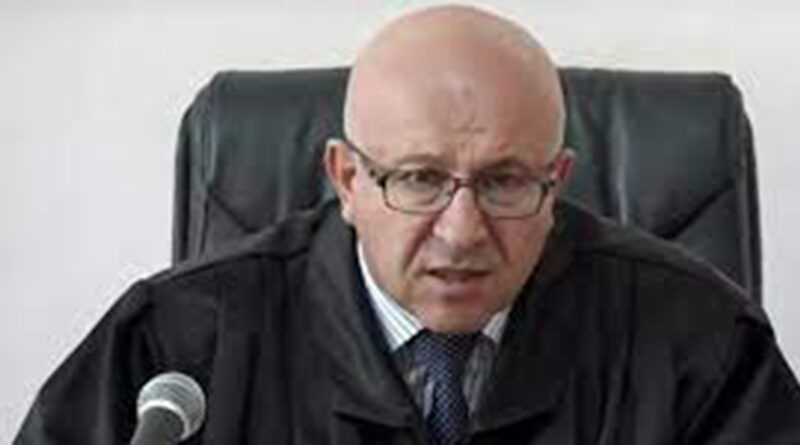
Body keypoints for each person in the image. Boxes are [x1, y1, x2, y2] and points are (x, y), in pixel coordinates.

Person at [15, 5, 800, 445]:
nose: (461, 232)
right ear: (347, 179)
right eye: (419, 179)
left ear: (556, 182)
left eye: (504, 181)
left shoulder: (699, 344)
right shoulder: (174, 348)